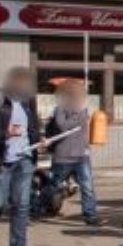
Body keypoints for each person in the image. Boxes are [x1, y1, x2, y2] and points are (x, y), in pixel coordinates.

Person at [0, 68, 44, 246]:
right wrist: (4, 132)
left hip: (24, 158)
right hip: (0, 159)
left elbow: (33, 128)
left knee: (21, 205)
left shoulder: (27, 101)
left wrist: (40, 140)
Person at [45, 80, 103, 227]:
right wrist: (79, 114)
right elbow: (63, 126)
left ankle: (90, 216)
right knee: (55, 186)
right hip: (63, 155)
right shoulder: (60, 109)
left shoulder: (85, 109)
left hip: (82, 155)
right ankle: (39, 203)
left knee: (87, 187)